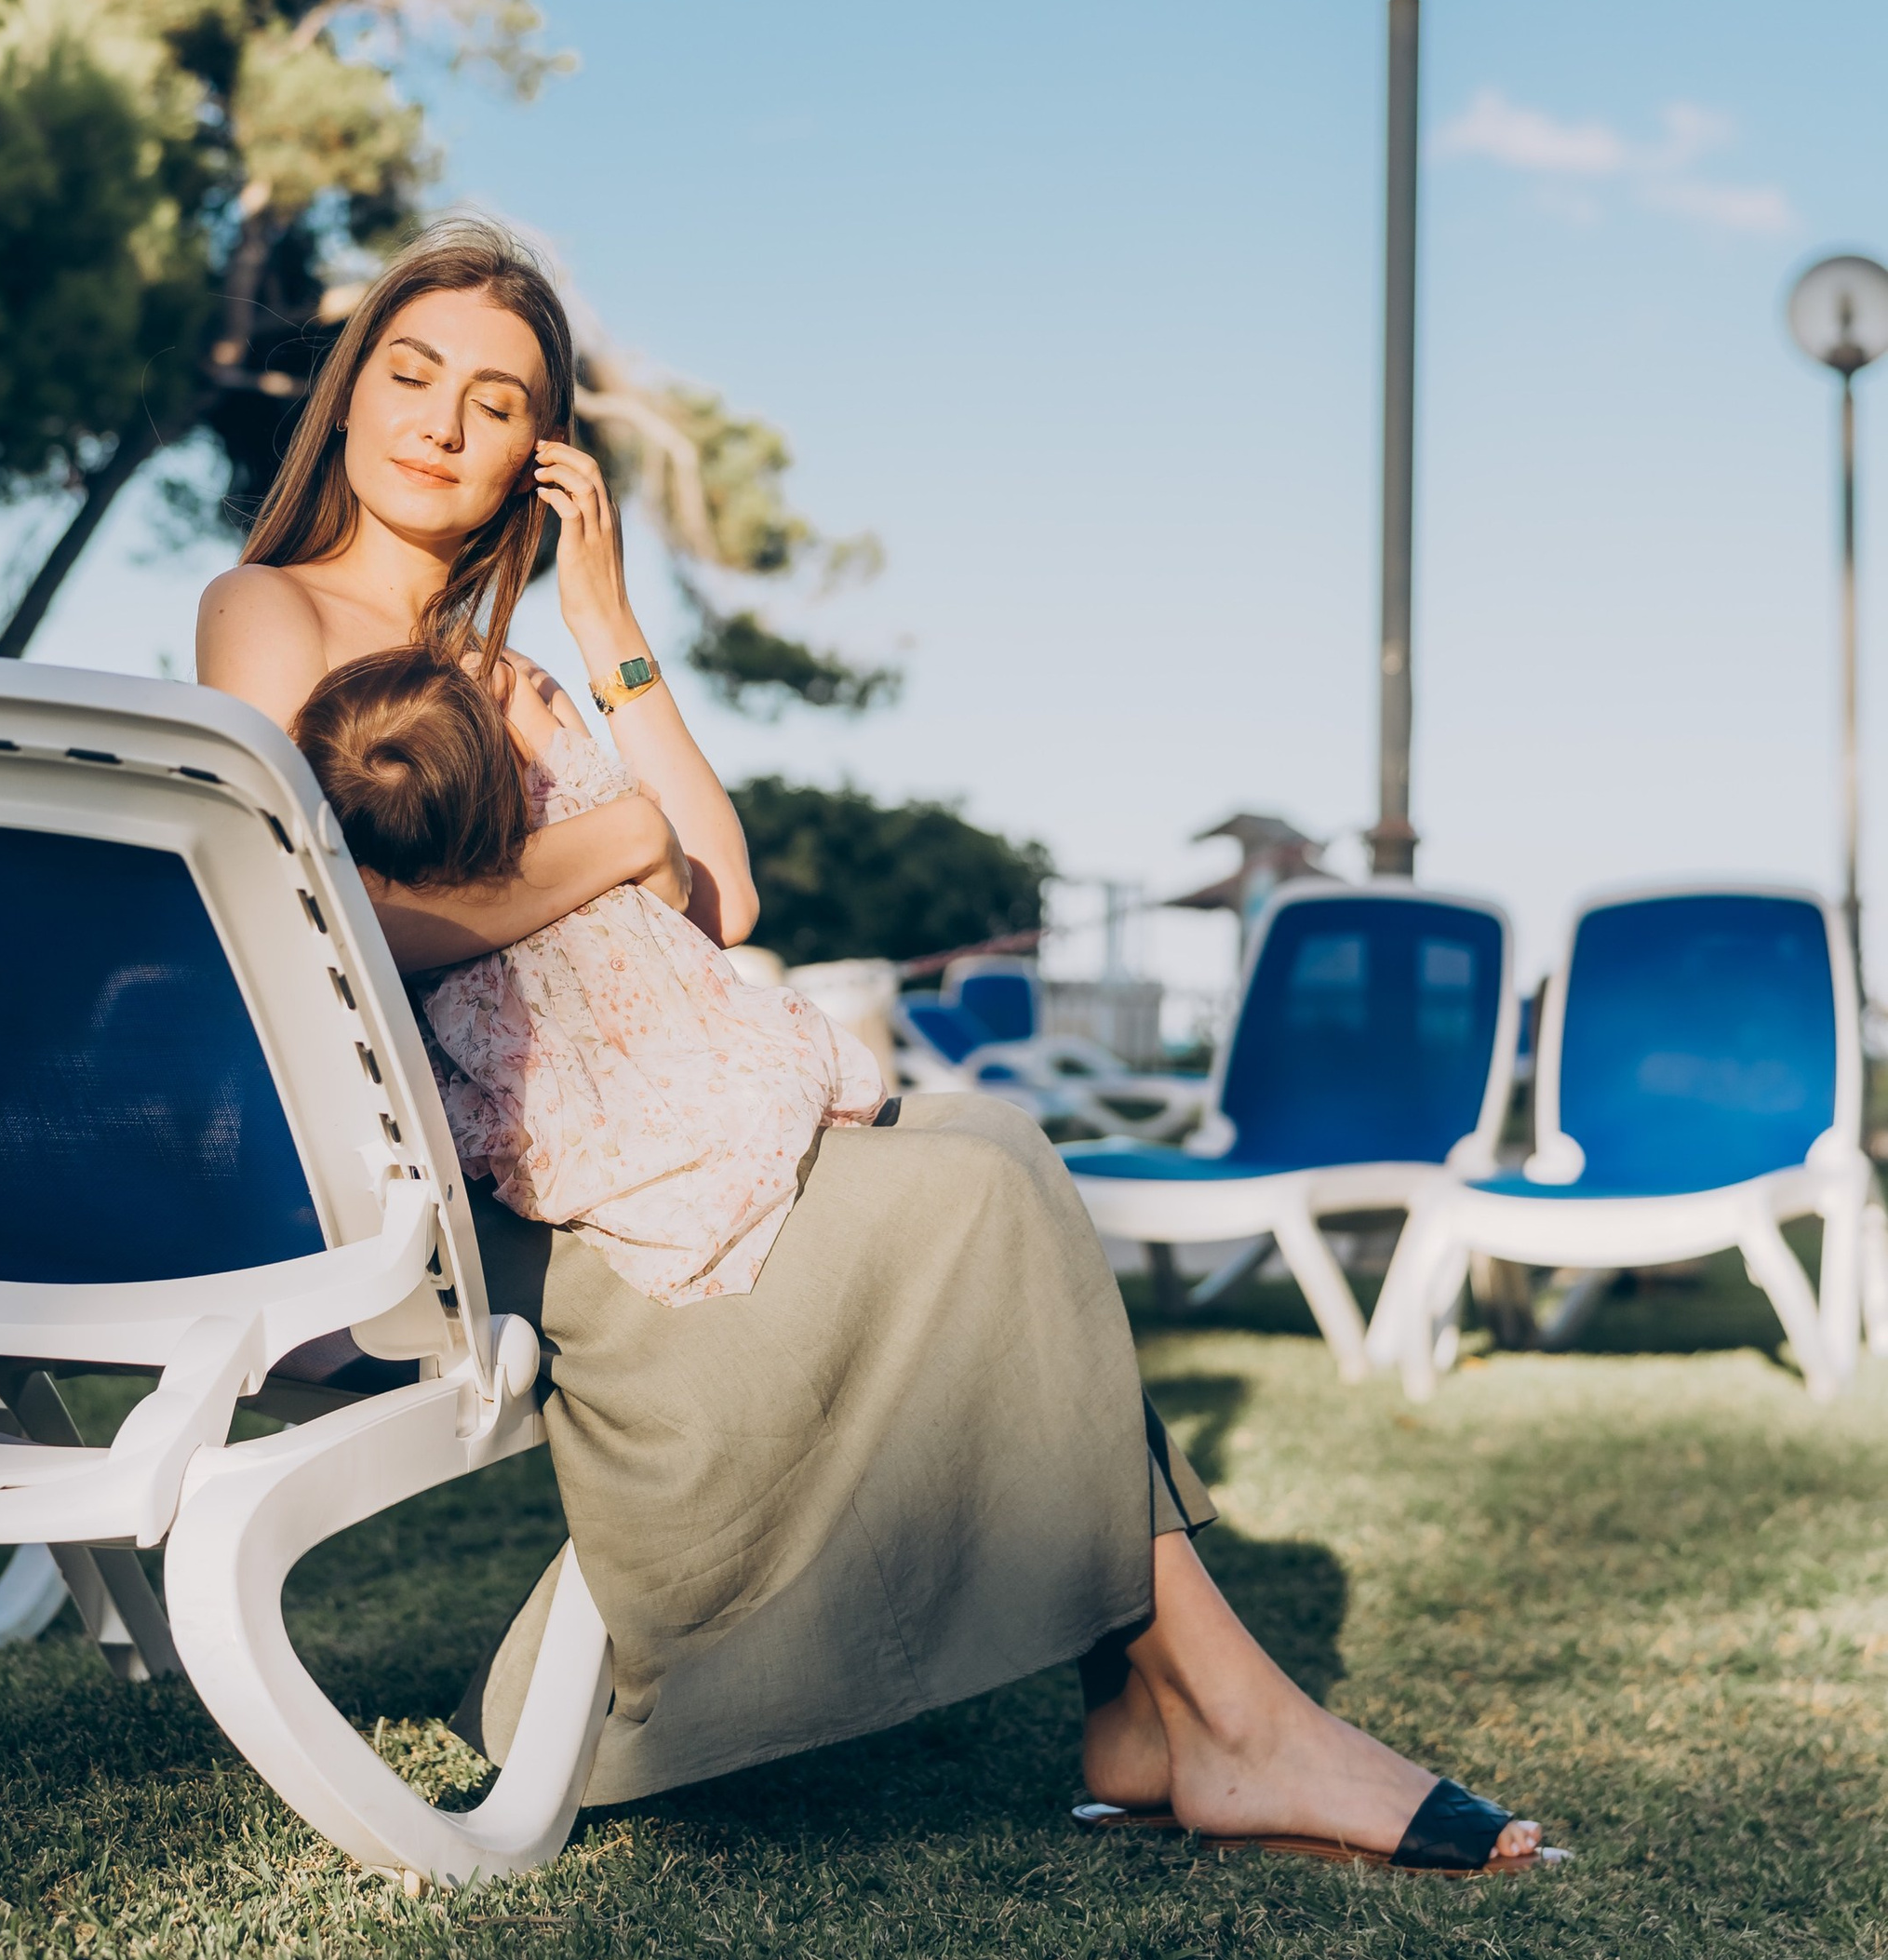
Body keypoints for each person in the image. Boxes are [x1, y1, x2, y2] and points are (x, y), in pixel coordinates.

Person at [198, 222, 1551, 1872]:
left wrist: (611, 623)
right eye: (409, 377)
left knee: (991, 1141)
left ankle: (1167, 1713)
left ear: (531, 465)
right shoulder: (269, 613)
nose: (441, 423)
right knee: (981, 1189)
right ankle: (1228, 1718)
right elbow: (324, 926)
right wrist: (609, 848)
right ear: (345, 399)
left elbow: (726, 889)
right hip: (522, 1197)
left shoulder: (522, 671)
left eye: (495, 403)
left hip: (654, 1140)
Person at [295, 646, 886, 1305]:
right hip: (711, 1084)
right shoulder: (571, 823)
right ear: (498, 777)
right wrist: (519, 699)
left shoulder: (433, 968)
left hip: (587, 1167)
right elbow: (634, 822)